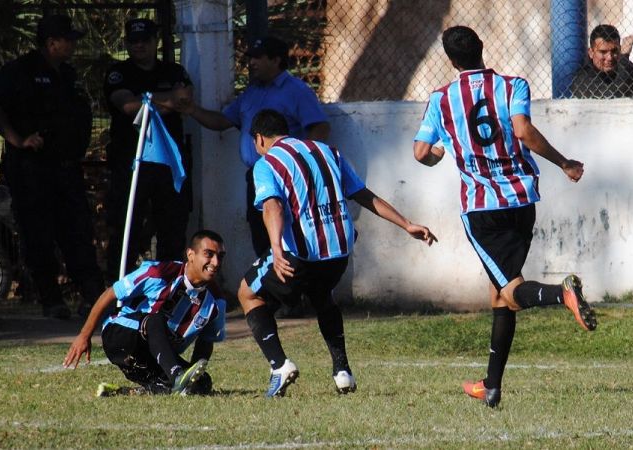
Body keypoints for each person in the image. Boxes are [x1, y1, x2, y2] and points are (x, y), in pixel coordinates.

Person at [413, 26, 598, 408]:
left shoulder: (441, 99)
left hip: (482, 209)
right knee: (500, 293)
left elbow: (420, 152)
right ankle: (491, 385)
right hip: (522, 199)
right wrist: (563, 162)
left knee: (512, 290)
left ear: (451, 61)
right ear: (482, 48)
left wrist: (437, 154)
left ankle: (559, 294)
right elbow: (524, 131)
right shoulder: (513, 85)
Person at [238, 109, 437, 398]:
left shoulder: (267, 163)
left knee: (248, 293)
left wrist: (277, 251)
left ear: (259, 139)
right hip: (340, 253)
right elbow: (363, 194)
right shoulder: (328, 151)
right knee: (322, 295)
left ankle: (279, 365)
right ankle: (342, 371)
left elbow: (274, 207)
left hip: (303, 256)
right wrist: (407, 224)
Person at [0, 14, 105, 320]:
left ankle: (92, 295)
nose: (73, 45)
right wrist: (17, 139)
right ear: (52, 43)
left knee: (77, 230)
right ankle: (51, 298)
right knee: (38, 232)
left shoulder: (68, 75)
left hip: (65, 167)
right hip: (32, 169)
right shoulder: (19, 72)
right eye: (68, 40)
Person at [183, 36, 330, 258]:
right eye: (250, 58)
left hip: (286, 175)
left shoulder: (297, 91)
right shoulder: (252, 92)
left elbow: (320, 126)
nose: (251, 63)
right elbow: (223, 121)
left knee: (289, 229)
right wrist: (192, 109)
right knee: (260, 229)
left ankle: (293, 283)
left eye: (257, 58)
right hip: (257, 175)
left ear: (276, 60)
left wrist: (304, 163)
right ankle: (269, 283)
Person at [63, 230, 227, 396]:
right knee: (155, 320)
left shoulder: (215, 303)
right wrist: (84, 336)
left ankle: (127, 392)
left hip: (154, 356)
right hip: (121, 336)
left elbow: (206, 341)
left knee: (203, 383)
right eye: (209, 254)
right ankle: (177, 377)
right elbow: (110, 294)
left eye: (220, 256)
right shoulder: (159, 273)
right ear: (190, 254)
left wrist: (193, 376)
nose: (215, 262)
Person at [104, 18, 196, 277]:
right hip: (130, 162)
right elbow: (129, 107)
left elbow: (186, 99)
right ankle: (117, 285)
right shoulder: (118, 73)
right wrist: (166, 101)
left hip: (168, 163)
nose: (140, 46)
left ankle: (169, 284)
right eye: (133, 41)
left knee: (172, 226)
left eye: (145, 40)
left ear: (155, 41)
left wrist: (148, 99)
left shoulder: (173, 71)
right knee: (126, 225)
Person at [570, 24, 633, 99]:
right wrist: (624, 57)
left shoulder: (624, 66)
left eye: (614, 51)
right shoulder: (583, 77)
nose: (609, 57)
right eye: (603, 52)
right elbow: (611, 97)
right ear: (591, 53)